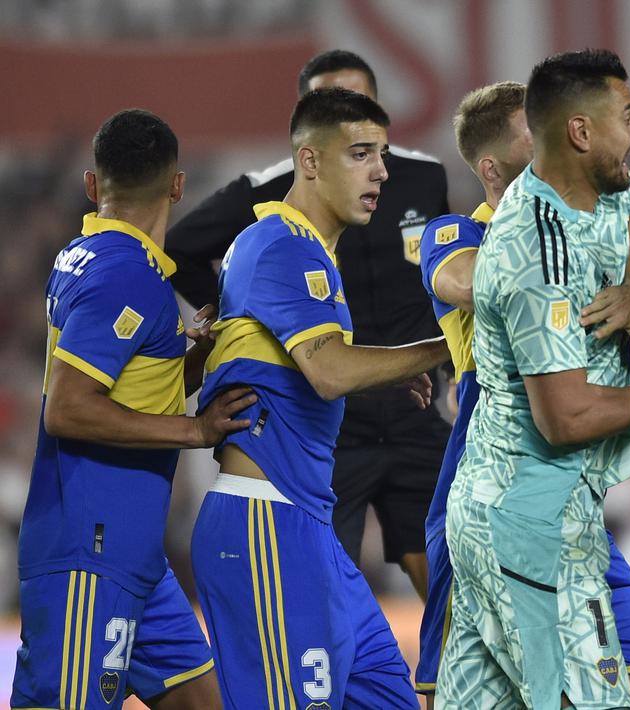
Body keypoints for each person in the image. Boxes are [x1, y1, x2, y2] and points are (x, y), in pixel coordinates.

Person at [436, 50, 630, 710]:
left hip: (575, 498)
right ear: (494, 168)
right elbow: (468, 284)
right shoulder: (475, 237)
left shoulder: (600, 208)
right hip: (515, 493)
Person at [189, 88, 449, 709]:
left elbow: (312, 370)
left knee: (389, 697)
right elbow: (328, 372)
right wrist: (452, 345)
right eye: (361, 154)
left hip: (308, 526)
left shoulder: (312, 252)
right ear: (308, 161)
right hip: (264, 524)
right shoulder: (282, 246)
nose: (381, 171)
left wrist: (388, 371)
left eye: (382, 155)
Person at [12, 109, 255, 709]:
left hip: (132, 553)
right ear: (178, 185)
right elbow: (68, 410)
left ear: (93, 187)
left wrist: (195, 356)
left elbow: (131, 386)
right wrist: (196, 429)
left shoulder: (90, 256)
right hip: (88, 551)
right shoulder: (125, 277)